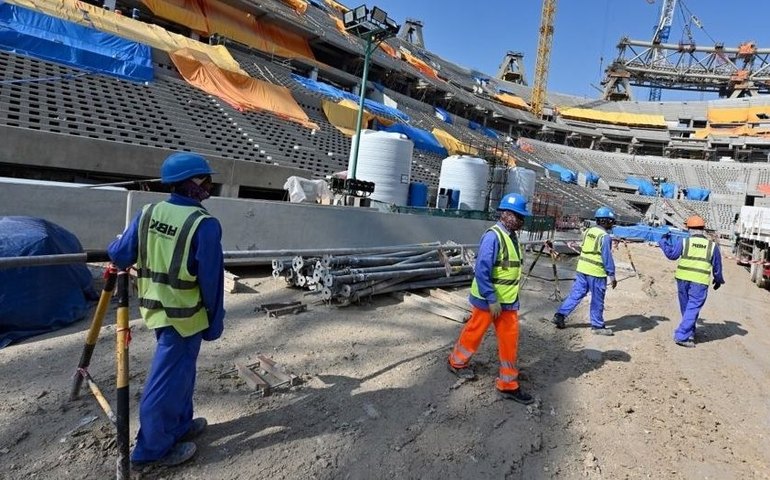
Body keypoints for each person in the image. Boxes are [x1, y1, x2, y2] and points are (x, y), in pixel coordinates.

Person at [108, 152, 225, 467]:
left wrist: (116, 246)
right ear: (191, 183)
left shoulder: (148, 213)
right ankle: (150, 451)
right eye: (205, 179)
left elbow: (120, 254)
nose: (209, 185)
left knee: (182, 373)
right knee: (166, 381)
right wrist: (215, 322)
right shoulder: (204, 225)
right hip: (185, 315)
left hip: (156, 309)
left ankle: (179, 425)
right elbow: (212, 281)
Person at [447, 193, 534, 405]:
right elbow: (482, 270)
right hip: (488, 301)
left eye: (522, 216)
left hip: (508, 302)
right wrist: (491, 299)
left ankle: (508, 384)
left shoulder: (512, 237)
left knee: (509, 341)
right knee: (474, 333)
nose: (520, 220)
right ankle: (456, 362)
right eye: (517, 216)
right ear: (505, 214)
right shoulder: (493, 237)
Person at [658, 215, 724, 348]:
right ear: (702, 229)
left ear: (689, 229)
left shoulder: (684, 242)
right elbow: (717, 266)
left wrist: (663, 242)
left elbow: (672, 255)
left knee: (687, 307)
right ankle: (682, 335)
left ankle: (689, 332)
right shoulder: (712, 246)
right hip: (699, 282)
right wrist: (718, 280)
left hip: (682, 279)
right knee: (693, 308)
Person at [551, 207, 617, 335]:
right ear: (605, 221)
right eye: (611, 221)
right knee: (597, 300)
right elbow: (607, 257)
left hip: (582, 269)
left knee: (576, 294)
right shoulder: (605, 237)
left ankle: (560, 315)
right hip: (596, 273)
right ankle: (597, 326)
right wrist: (612, 275)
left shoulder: (588, 231)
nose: (612, 224)